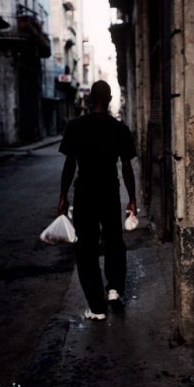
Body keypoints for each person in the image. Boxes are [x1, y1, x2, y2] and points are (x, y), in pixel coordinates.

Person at [57, 80, 137, 321]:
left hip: (84, 194)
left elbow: (69, 164)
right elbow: (126, 166)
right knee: (114, 240)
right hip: (109, 192)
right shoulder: (119, 128)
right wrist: (132, 199)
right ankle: (114, 290)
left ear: (90, 99)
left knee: (86, 248)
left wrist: (62, 195)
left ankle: (97, 307)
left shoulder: (75, 126)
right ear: (110, 98)